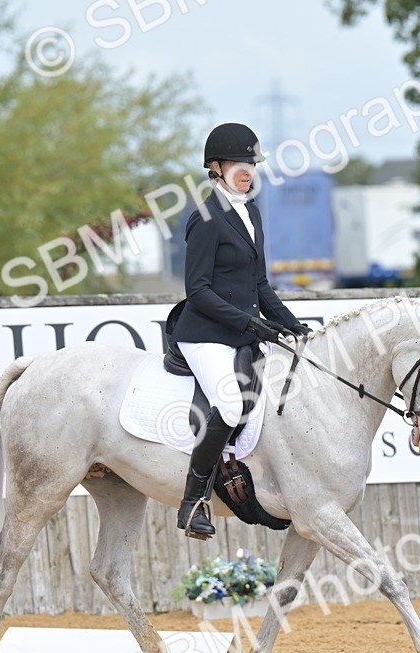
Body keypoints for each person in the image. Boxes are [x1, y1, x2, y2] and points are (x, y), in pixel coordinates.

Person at [170, 122, 310, 539]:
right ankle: (192, 503)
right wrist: (248, 322)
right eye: (238, 163)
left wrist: (292, 325)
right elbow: (197, 290)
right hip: (204, 334)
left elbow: (259, 285)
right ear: (216, 167)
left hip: (241, 332)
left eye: (252, 162)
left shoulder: (250, 212)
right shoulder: (206, 217)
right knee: (232, 406)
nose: (248, 169)